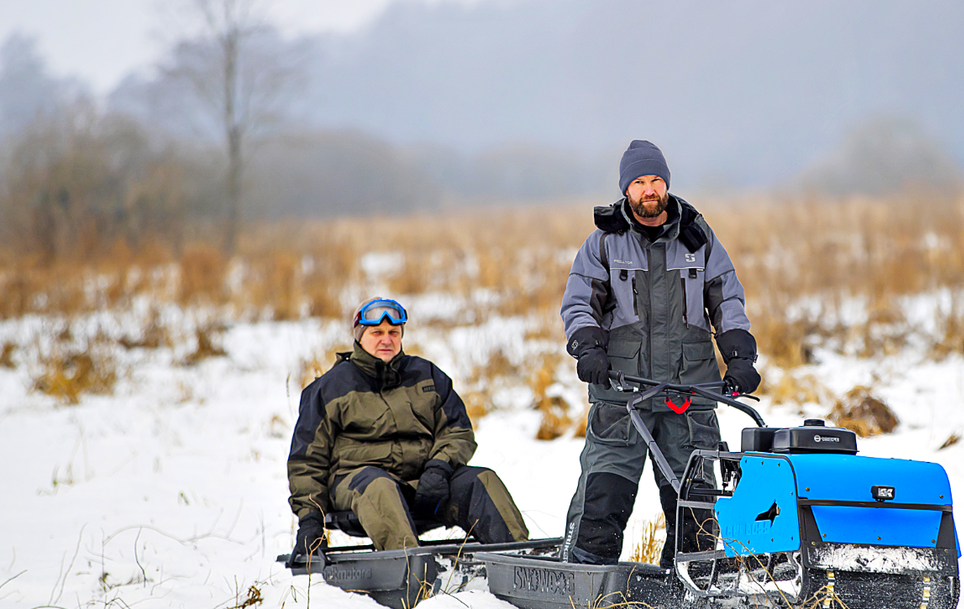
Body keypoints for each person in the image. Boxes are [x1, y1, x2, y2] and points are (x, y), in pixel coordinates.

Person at [559, 140, 761, 566]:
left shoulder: (699, 238)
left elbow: (726, 298)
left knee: (696, 504)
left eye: (655, 181)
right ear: (626, 190)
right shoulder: (603, 244)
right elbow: (579, 303)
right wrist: (588, 348)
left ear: (666, 184)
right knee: (603, 496)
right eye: (639, 182)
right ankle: (585, 584)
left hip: (689, 393)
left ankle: (687, 592)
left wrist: (740, 356)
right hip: (621, 393)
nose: (649, 190)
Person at [287, 297, 529, 564]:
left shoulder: (426, 375)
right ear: (359, 336)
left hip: (426, 487)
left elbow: (458, 431)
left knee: (481, 479)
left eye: (394, 333)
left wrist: (439, 468)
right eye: (377, 333)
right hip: (359, 486)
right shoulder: (329, 388)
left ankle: (521, 564)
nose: (386, 340)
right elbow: (307, 462)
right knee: (380, 487)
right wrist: (309, 521)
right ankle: (412, 573)